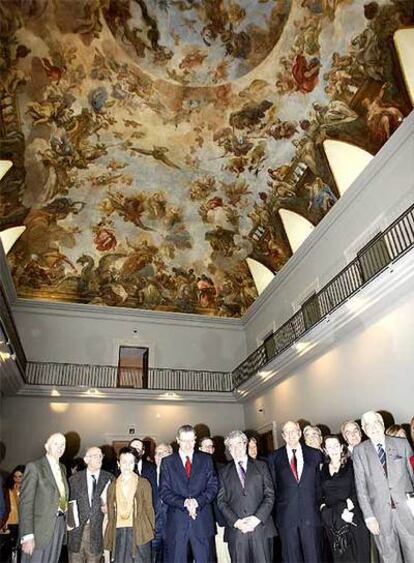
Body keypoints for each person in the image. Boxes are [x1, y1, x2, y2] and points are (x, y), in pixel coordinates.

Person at [353, 411, 414, 563]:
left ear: (382, 423)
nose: (373, 428)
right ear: (364, 429)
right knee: (389, 557)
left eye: (376, 423)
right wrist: (369, 517)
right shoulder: (359, 451)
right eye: (368, 425)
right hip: (380, 516)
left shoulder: (402, 444)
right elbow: (361, 487)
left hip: (407, 513)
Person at [159, 424, 218, 563]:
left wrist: (197, 502)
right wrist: (185, 503)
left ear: (195, 439)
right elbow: (164, 491)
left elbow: (213, 486)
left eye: (191, 440)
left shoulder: (206, 459)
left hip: (202, 523)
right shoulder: (167, 462)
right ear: (177, 440)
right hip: (177, 526)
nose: (187, 445)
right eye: (184, 441)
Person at [268, 420, 323, 563]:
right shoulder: (274, 458)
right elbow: (272, 488)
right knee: (291, 558)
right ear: (283, 436)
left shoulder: (315, 454)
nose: (291, 435)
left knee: (314, 557)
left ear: (299, 433)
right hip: (286, 518)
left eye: (294, 431)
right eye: (287, 432)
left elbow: (320, 486)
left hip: (311, 515)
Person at [217, 430, 276, 563]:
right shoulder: (223, 473)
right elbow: (221, 502)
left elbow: (269, 495)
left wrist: (256, 518)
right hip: (237, 533)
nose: (236, 449)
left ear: (245, 444)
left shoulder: (262, 466)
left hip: (261, 529)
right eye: (232, 446)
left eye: (239, 444)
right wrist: (237, 522)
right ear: (229, 450)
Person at [19, 432, 69, 563]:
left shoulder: (62, 468)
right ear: (47, 447)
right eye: (56, 443)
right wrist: (27, 535)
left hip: (58, 525)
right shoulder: (34, 467)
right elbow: (26, 503)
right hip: (38, 531)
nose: (60, 447)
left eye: (63, 444)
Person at [320, 435, 370, 562]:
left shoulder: (352, 464)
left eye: (336, 445)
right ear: (325, 450)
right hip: (332, 519)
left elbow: (358, 487)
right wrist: (324, 510)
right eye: (329, 446)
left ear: (341, 447)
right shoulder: (322, 469)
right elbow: (318, 493)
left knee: (359, 555)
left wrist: (348, 506)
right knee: (340, 557)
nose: (333, 449)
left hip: (352, 514)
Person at [104, 447, 155, 563]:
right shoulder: (112, 486)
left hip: (139, 531)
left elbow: (149, 508)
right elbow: (111, 512)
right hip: (119, 531)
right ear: (118, 463)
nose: (127, 466)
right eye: (124, 462)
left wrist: (150, 529)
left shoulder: (143, 483)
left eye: (131, 462)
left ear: (135, 464)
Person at [67, 446, 114, 562]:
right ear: (86, 459)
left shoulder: (109, 478)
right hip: (77, 534)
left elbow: (115, 503)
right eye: (95, 456)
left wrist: (110, 508)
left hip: (97, 534)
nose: (99, 459)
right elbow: (68, 505)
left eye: (100, 456)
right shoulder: (73, 480)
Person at [153, 443, 173, 563]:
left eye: (163, 452)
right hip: (153, 529)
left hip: (172, 529)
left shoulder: (178, 475)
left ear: (171, 455)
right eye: (157, 453)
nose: (159, 455)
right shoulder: (147, 473)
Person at [0, 465, 25, 563]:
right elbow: (5, 508)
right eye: (15, 477)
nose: (17, 479)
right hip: (9, 523)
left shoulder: (27, 489)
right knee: (6, 550)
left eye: (20, 476)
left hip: (20, 523)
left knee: (16, 550)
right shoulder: (9, 489)